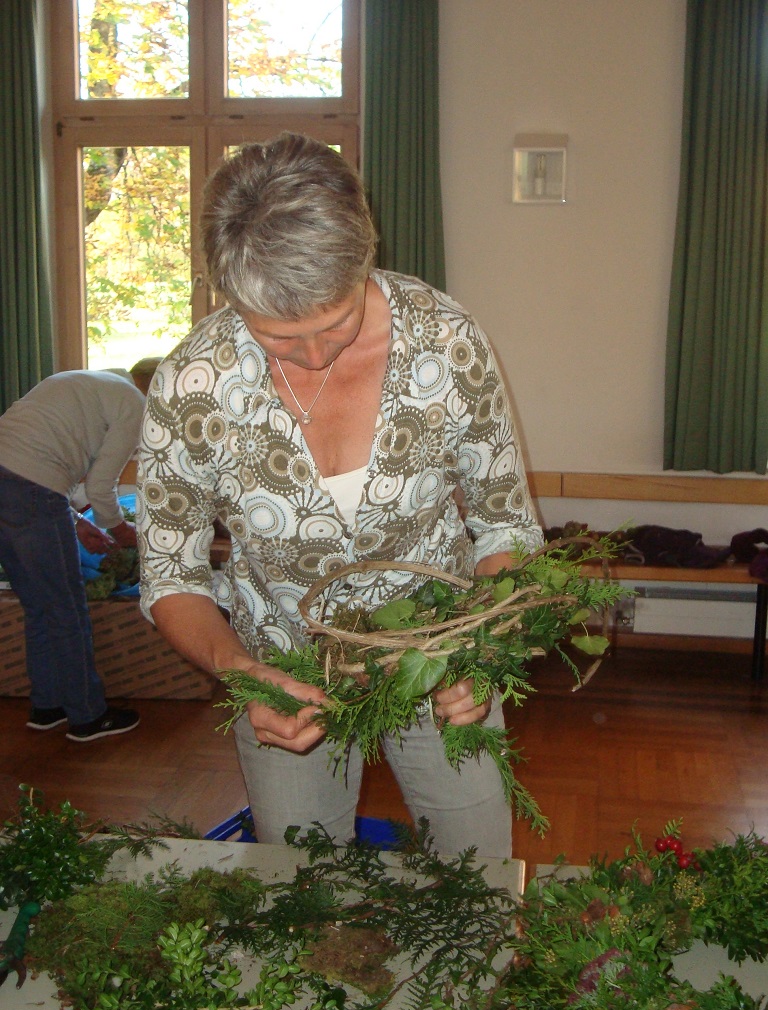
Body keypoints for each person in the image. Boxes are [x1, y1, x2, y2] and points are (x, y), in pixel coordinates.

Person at [136, 132, 544, 856]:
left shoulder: (447, 344)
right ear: (225, 298)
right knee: (301, 880)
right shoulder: (192, 383)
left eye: (336, 325)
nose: (316, 357)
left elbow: (506, 527)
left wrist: (479, 650)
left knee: (477, 867)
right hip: (283, 664)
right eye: (278, 340)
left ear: (365, 258)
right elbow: (171, 574)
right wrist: (244, 675)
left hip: (443, 655)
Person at [0, 363, 158, 741]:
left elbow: (34, 466)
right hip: (32, 490)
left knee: (41, 607)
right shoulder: (135, 406)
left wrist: (79, 523)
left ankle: (48, 705)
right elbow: (101, 486)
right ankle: (87, 715)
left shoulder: (91, 383)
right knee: (67, 611)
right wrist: (124, 533)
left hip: (12, 482)